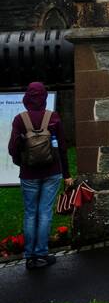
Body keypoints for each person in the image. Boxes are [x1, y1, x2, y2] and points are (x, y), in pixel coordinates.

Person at [7, 81, 72, 271]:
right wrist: (66, 174)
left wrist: (22, 163)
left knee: (30, 213)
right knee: (44, 213)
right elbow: (62, 148)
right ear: (44, 98)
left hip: (29, 174)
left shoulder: (20, 120)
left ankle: (29, 257)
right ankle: (42, 253)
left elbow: (13, 149)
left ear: (27, 97)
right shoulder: (53, 118)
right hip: (52, 173)